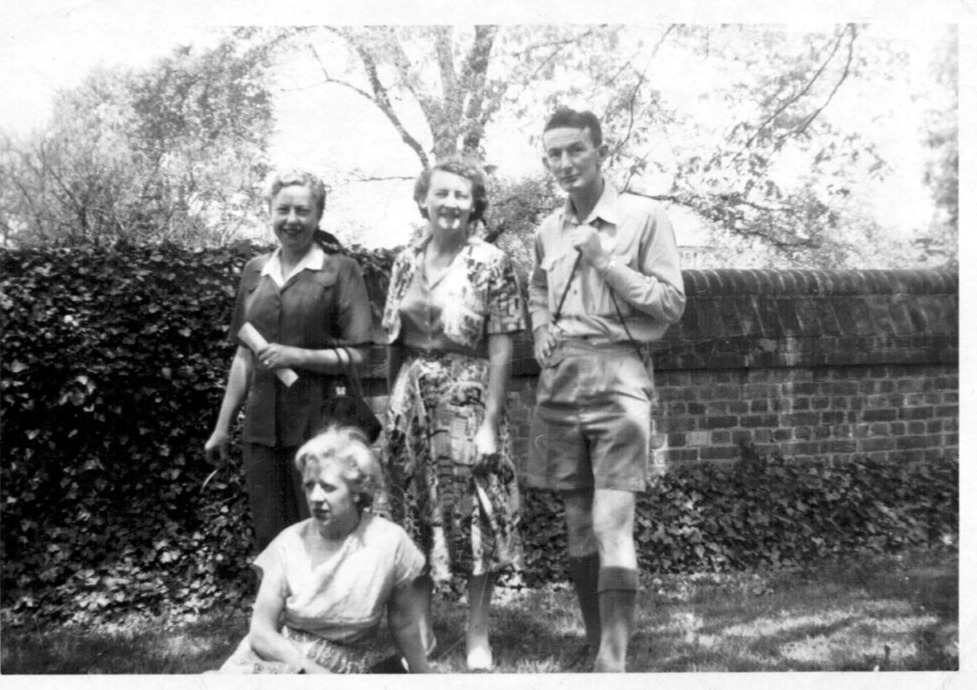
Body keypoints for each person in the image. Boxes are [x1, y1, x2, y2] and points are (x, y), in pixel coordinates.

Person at [525, 108, 686, 672]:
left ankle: (612, 662)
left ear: (600, 151)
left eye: (576, 151)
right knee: (575, 523)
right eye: (554, 154)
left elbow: (671, 304)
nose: (565, 164)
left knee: (609, 521)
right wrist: (542, 328)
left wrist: (608, 264)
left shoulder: (644, 216)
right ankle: (596, 642)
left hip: (620, 373)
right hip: (563, 378)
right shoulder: (547, 228)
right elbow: (538, 288)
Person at [380, 158, 525, 671]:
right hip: (412, 402)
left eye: (462, 196)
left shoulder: (493, 262)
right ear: (424, 200)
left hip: (469, 401)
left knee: (478, 516)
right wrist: (388, 416)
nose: (451, 204)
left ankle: (477, 634)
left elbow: (503, 350)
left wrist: (490, 423)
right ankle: (420, 632)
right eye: (441, 194)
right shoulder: (403, 261)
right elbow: (393, 344)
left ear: (474, 205)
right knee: (413, 514)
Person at [204, 169, 373, 553]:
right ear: (270, 212)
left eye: (303, 211)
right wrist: (222, 427)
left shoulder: (340, 270)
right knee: (270, 535)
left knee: (325, 527)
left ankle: (334, 612)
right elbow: (244, 356)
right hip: (263, 428)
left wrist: (296, 355)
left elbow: (359, 354)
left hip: (322, 424)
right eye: (283, 210)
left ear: (318, 217)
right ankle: (280, 612)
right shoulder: (253, 272)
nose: (292, 220)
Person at [217, 426, 432, 673]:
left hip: (350, 662)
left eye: (328, 487)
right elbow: (261, 633)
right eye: (309, 486)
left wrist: (424, 678)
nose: (316, 497)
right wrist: (315, 674)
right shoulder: (289, 543)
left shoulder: (390, 542)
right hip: (283, 659)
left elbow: (403, 623)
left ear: (357, 490)